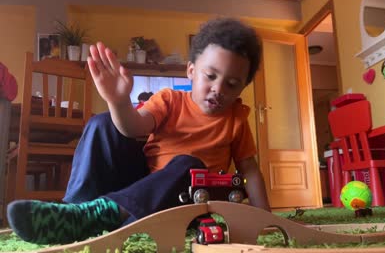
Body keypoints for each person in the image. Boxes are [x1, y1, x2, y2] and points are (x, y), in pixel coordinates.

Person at [7, 17, 270, 244]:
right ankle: (76, 213)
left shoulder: (236, 119)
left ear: (242, 88)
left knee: (189, 164)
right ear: (191, 70)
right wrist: (118, 101)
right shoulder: (170, 100)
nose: (219, 89)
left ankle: (108, 213)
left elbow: (250, 171)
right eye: (210, 76)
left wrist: (265, 219)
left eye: (232, 84)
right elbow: (132, 127)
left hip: (189, 203)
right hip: (140, 189)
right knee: (102, 123)